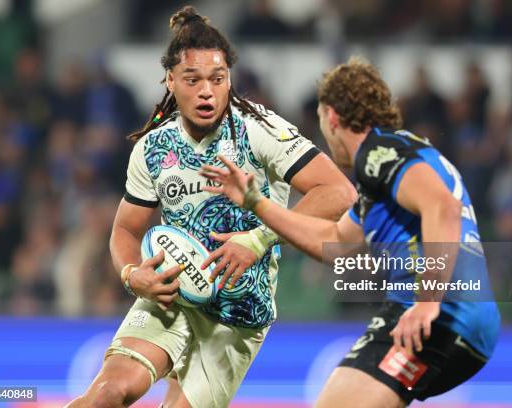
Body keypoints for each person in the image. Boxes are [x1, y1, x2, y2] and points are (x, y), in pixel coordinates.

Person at [65, 6, 356, 408]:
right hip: (171, 295)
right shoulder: (153, 147)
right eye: (193, 79)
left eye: (218, 79)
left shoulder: (259, 130)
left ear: (229, 80)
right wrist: (133, 275)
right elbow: (126, 229)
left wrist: (256, 240)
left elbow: (339, 192)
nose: (207, 91)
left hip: (238, 314)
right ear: (170, 80)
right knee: (107, 393)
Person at [201, 57, 500, 407]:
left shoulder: (379, 154)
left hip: (439, 315)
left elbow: (443, 209)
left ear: (332, 117)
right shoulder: (393, 163)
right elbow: (339, 243)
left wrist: (426, 302)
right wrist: (259, 206)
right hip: (465, 322)